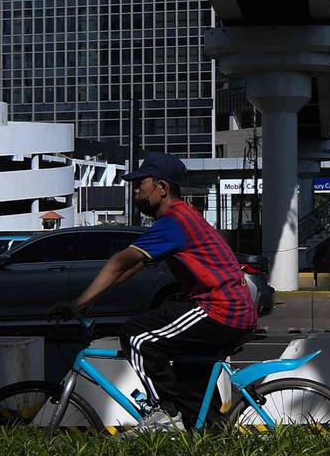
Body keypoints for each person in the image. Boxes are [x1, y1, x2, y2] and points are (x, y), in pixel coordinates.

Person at [51, 151, 257, 430]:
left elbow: (119, 262)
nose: (135, 190)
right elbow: (132, 267)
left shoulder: (174, 222)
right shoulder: (182, 216)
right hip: (233, 309)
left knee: (137, 336)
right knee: (191, 390)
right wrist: (91, 300)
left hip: (219, 308)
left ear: (162, 187)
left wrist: (77, 303)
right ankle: (212, 434)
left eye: (140, 184)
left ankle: (164, 412)